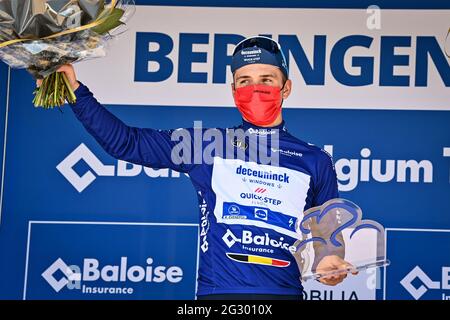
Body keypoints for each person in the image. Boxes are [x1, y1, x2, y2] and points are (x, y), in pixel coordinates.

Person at [38, 36, 356, 300]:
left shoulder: (315, 160)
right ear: (234, 92)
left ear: (285, 88)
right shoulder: (206, 145)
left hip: (284, 295)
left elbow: (328, 232)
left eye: (266, 80)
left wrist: (331, 258)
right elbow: (126, 143)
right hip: (217, 298)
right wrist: (76, 91)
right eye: (244, 81)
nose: (255, 89)